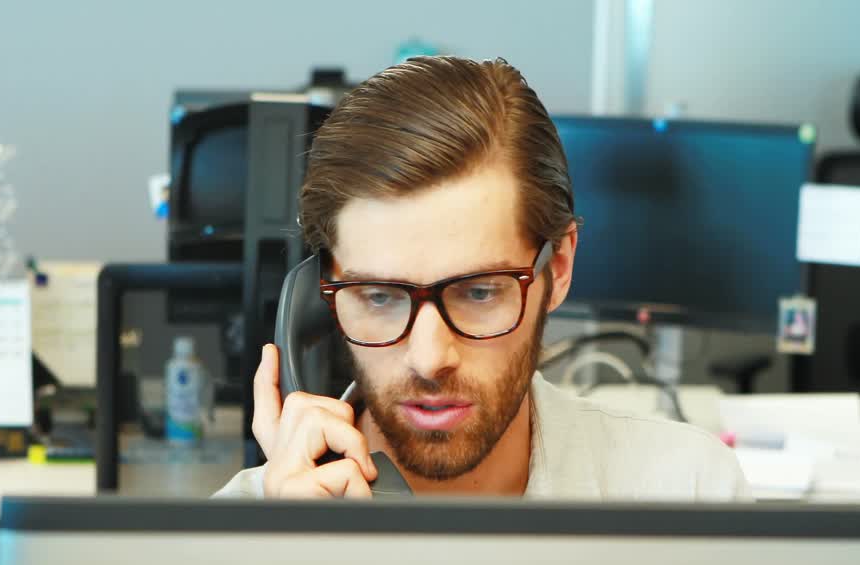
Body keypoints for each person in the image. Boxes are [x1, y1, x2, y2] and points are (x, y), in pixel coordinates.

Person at [216, 56, 748, 500]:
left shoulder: (690, 491)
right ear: (320, 298)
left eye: (477, 292)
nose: (429, 359)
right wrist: (288, 563)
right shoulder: (232, 538)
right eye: (378, 297)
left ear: (557, 268)